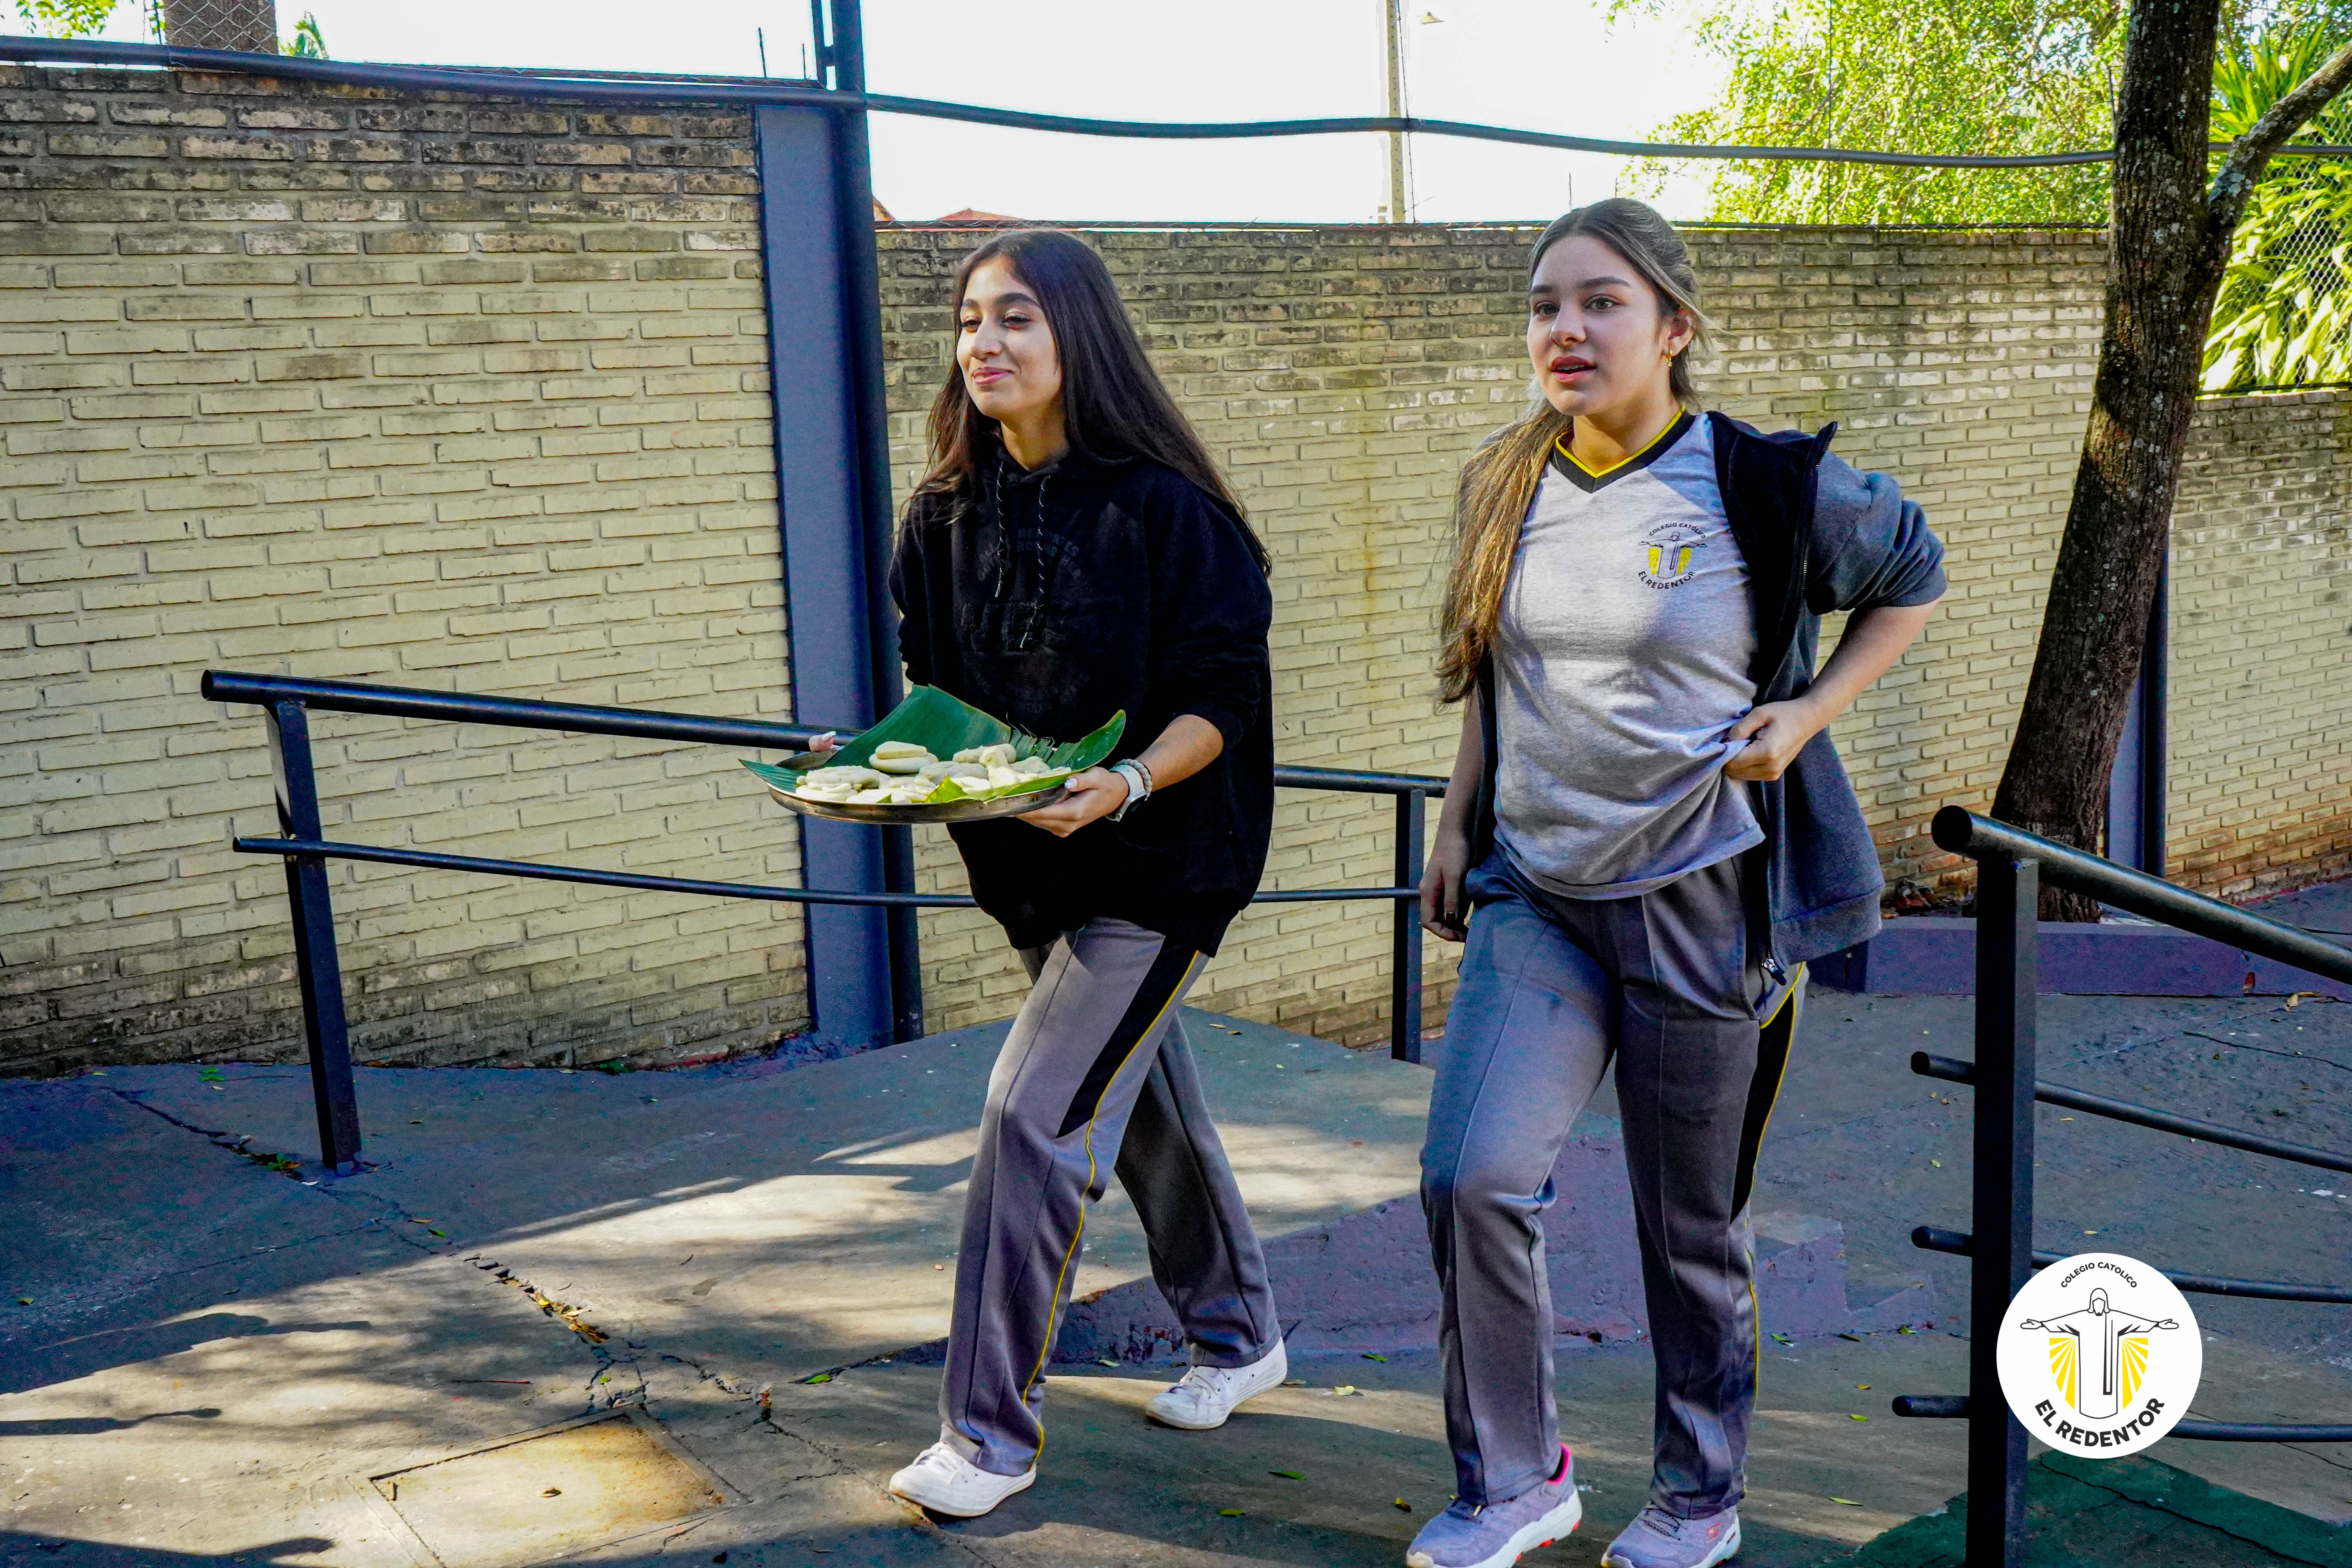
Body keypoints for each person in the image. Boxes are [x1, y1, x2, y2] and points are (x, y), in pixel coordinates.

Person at [1405, 199, 1946, 1568]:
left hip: (1703, 900)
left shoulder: (1762, 482)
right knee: (1470, 1179)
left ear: (1674, 327)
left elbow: (1914, 572)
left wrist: (1812, 711)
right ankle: (1516, 1481)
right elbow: (1494, 674)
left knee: (1686, 1224)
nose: (1565, 330)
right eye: (1544, 305)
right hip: (1539, 896)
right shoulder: (1503, 482)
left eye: (1601, 302)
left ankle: (1699, 1495)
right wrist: (1459, 819)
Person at [878, 228, 1288, 1519]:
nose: (985, 343)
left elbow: (1221, 698)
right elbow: (932, 688)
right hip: (1027, 862)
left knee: (1031, 1110)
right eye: (970, 321)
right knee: (1146, 1091)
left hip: (1163, 862)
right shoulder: (940, 514)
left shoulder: (1170, 509)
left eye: (1018, 320)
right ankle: (1242, 1332)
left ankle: (987, 1437)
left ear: (1078, 341)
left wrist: (1125, 783)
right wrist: (882, 755)